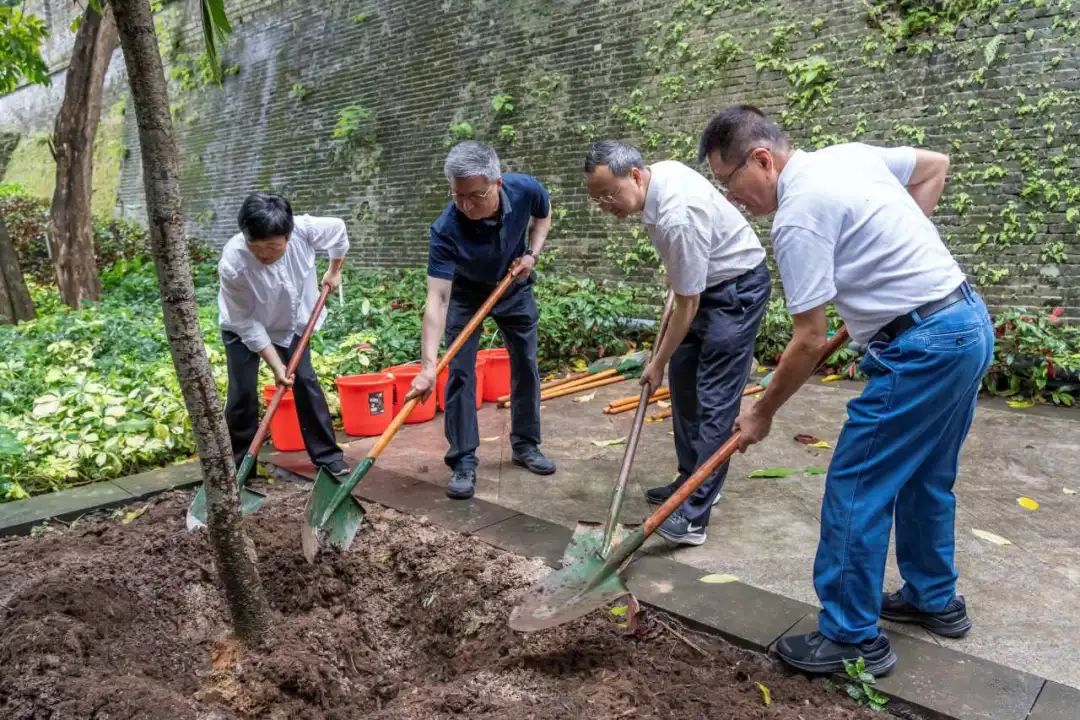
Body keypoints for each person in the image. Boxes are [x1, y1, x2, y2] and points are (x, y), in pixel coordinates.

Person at [699, 105, 994, 676]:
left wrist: (760, 413)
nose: (732, 197)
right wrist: (894, 258)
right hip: (964, 321)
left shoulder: (798, 218)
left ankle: (852, 638)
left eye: (730, 181)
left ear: (762, 159)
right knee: (926, 475)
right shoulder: (847, 156)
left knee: (857, 485)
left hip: (925, 347)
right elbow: (935, 165)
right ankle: (935, 600)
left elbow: (808, 341)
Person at [583, 140, 770, 547]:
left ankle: (694, 517)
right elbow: (684, 287)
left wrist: (656, 362)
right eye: (597, 199)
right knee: (685, 387)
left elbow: (688, 303)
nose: (606, 205)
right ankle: (693, 480)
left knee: (715, 399)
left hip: (734, 292)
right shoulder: (658, 176)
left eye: (609, 194)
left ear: (635, 175)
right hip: (705, 284)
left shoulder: (676, 217)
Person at [405, 141, 555, 500]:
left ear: (498, 183)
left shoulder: (525, 189)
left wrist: (532, 255)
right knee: (459, 372)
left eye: (476, 195)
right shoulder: (445, 229)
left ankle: (525, 444)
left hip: (513, 284)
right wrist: (427, 367)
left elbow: (543, 215)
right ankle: (463, 460)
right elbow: (438, 298)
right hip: (466, 295)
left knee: (526, 363)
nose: (466, 205)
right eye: (458, 196)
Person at [218, 192, 350, 477]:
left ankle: (328, 457)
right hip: (243, 328)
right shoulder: (233, 262)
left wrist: (333, 270)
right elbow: (245, 321)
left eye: (274, 247)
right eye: (258, 248)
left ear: (288, 236)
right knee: (242, 394)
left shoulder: (305, 230)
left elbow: (338, 231)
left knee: (306, 381)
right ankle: (240, 467)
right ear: (245, 237)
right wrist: (277, 366)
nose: (265, 254)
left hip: (291, 325)